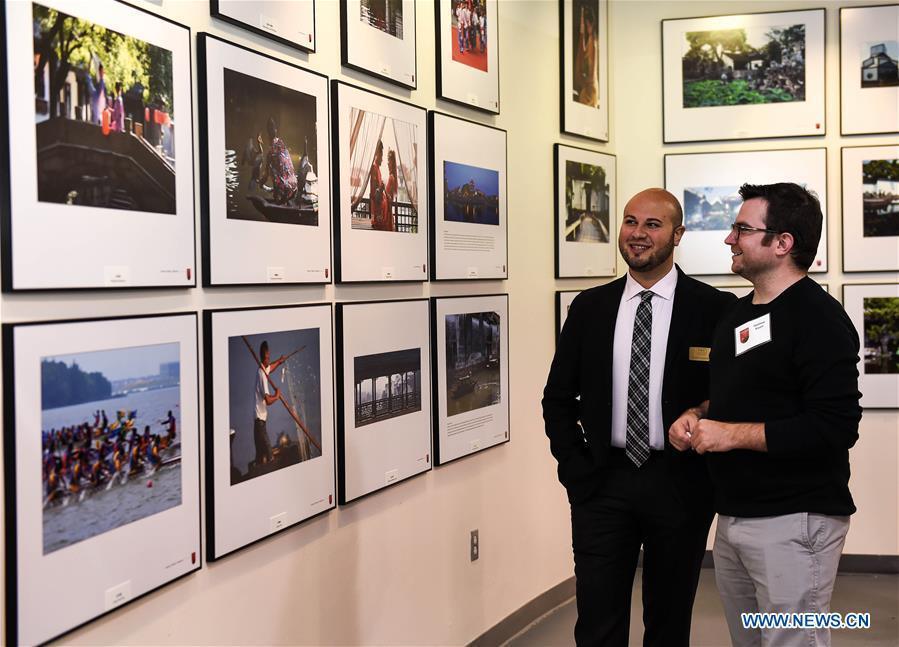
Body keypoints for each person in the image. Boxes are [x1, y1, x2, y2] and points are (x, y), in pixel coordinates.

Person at [669, 183, 862, 647]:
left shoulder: (821, 319)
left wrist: (729, 436)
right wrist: (697, 414)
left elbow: (835, 426)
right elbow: (742, 397)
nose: (729, 239)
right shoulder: (738, 315)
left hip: (796, 519)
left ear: (782, 243)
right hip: (735, 515)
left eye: (741, 229)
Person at [543, 188, 735, 646]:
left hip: (680, 483)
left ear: (677, 234)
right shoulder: (589, 307)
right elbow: (557, 397)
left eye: (653, 224)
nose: (638, 234)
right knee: (597, 619)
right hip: (602, 483)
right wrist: (574, 468)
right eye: (631, 222)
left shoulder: (716, 309)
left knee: (668, 620)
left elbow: (730, 396)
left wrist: (700, 417)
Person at [254, 341, 287, 467]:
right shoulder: (262, 375)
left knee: (259, 453)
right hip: (259, 421)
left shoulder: (262, 369)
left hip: (259, 420)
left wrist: (279, 361)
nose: (269, 360)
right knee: (268, 450)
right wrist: (277, 396)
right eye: (267, 358)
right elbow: (268, 401)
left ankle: (260, 467)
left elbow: (270, 368)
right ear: (262, 358)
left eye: (269, 357)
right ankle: (272, 467)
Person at [258, 117, 298, 205]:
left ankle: (278, 200)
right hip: (295, 187)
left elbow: (265, 175)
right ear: (276, 131)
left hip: (286, 192)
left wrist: (260, 183)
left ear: (267, 135)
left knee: (271, 169)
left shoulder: (271, 152)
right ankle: (282, 195)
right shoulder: (282, 144)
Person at [369, 139, 390, 231]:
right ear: (377, 154)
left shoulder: (377, 169)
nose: (382, 158)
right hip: (379, 211)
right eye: (381, 154)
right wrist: (381, 188)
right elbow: (375, 193)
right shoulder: (374, 168)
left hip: (381, 208)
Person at [383, 149, 399, 231]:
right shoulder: (392, 177)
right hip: (387, 211)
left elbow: (389, 198)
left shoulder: (391, 178)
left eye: (389, 161)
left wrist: (383, 189)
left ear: (392, 163)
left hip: (387, 212)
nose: (387, 163)